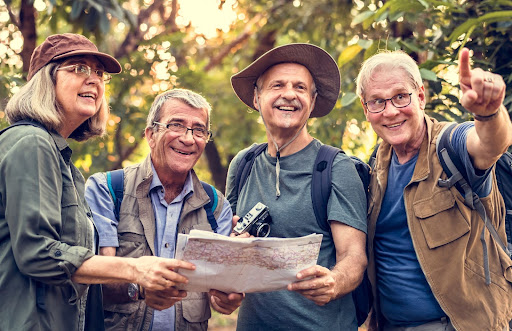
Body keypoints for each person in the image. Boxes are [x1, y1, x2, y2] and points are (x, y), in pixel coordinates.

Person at [0, 33, 198, 331]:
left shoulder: (62, 159)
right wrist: (135, 268)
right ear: (45, 81)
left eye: (99, 73)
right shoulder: (31, 142)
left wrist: (139, 288)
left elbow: (74, 270)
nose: (94, 79)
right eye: (79, 68)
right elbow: (37, 254)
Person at [356, 48, 512, 331]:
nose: (390, 111)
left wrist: (489, 115)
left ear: (421, 96)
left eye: (400, 96)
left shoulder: (450, 145)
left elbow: (489, 145)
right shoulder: (375, 167)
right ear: (366, 110)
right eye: (377, 102)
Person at [226, 43, 368, 330]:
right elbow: (228, 246)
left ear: (312, 102)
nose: (289, 94)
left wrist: (334, 281)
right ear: (257, 98)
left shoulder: (336, 168)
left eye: (300, 87)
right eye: (277, 85)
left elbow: (354, 257)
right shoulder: (243, 165)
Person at [85, 88, 243, 331]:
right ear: (151, 135)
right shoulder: (107, 189)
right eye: (176, 125)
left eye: (199, 129)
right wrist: (137, 288)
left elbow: (217, 290)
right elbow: (91, 278)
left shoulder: (217, 206)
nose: (189, 138)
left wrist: (227, 297)